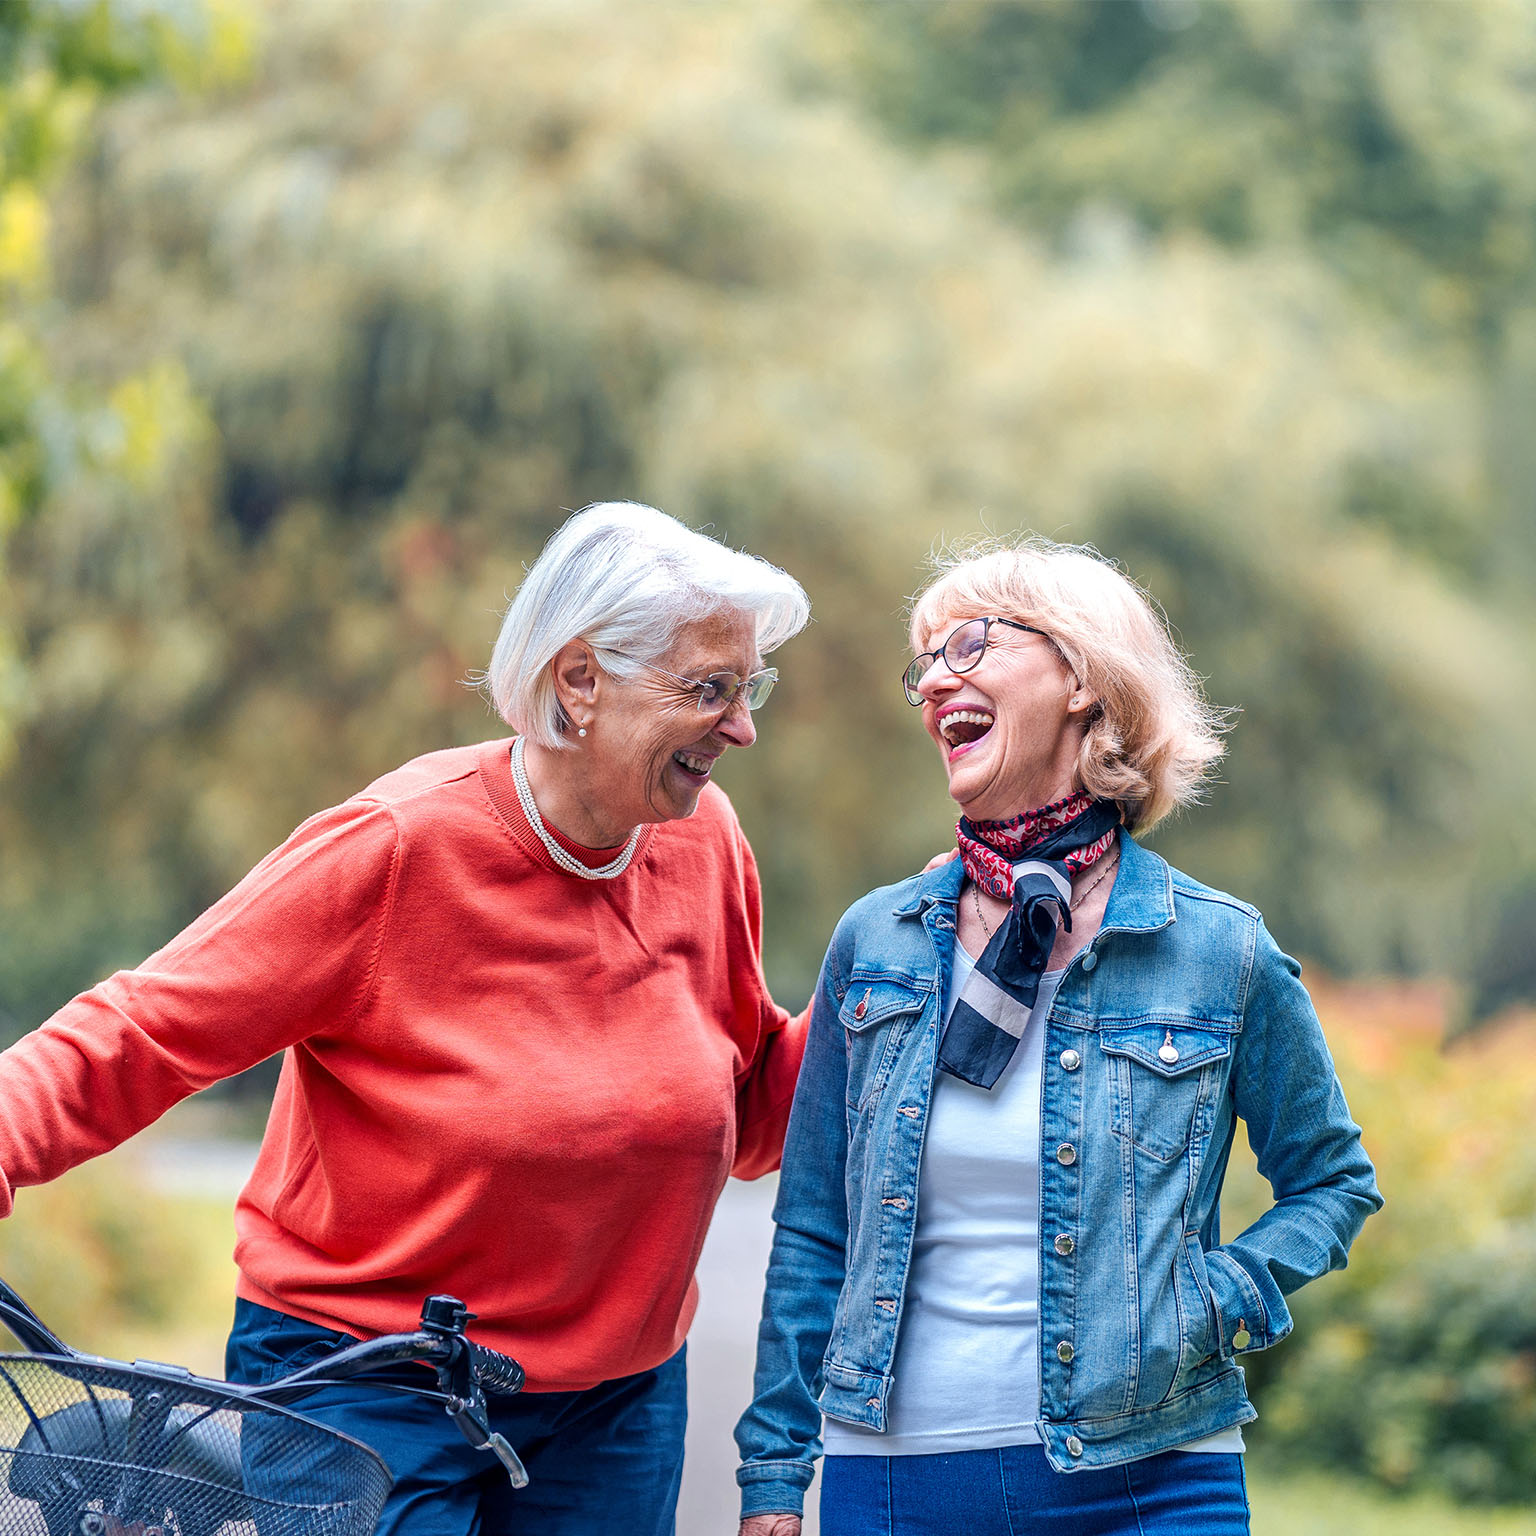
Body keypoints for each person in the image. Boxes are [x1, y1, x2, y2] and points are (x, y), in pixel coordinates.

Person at [0, 501, 812, 1536]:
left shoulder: (701, 844)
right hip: (366, 1382)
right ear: (580, 682)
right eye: (710, 691)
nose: (742, 727)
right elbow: (144, 1027)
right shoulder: (394, 851)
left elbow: (745, 1113)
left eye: (749, 692)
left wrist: (901, 976)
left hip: (617, 1400)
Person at [734, 538, 1382, 1536]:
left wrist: (1219, 1298)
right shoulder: (878, 942)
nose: (933, 683)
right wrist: (775, 1475)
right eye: (925, 663)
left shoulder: (1217, 949)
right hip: (904, 1479)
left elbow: (1332, 1180)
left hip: (1156, 1473)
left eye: (970, 646)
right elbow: (817, 1226)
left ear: (1082, 676)